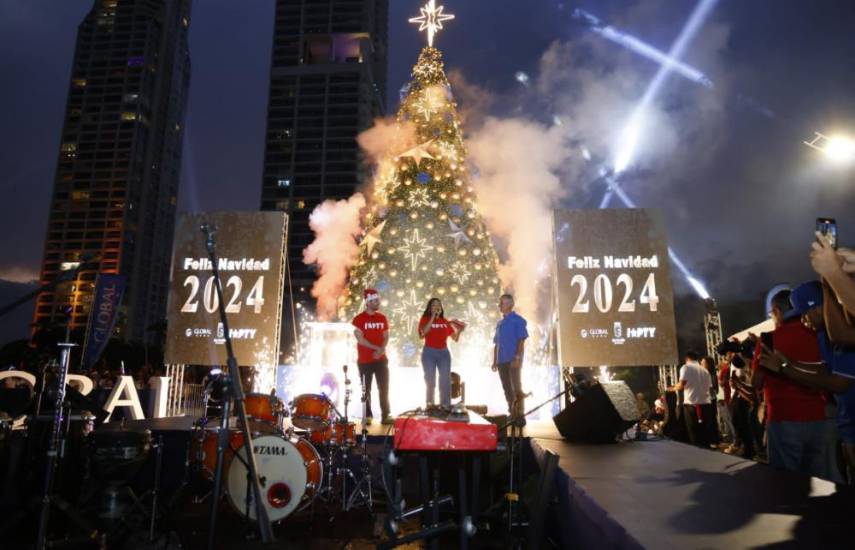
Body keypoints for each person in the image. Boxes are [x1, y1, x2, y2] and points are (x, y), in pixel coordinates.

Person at [760, 281, 854, 484]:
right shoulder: (823, 335)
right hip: (841, 422)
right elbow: (825, 370)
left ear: (820, 308)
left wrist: (786, 369)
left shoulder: (845, 335)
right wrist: (790, 364)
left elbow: (838, 383)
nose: (802, 320)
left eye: (804, 313)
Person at [352, 288, 393, 425]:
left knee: (384, 388)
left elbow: (386, 336)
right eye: (375, 301)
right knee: (366, 389)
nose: (378, 303)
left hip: (381, 360)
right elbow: (360, 340)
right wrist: (378, 348)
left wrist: (382, 349)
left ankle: (386, 415)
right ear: (368, 302)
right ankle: (367, 415)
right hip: (365, 361)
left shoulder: (382, 318)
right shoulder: (358, 319)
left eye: (378, 300)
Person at [418, 297, 465, 409]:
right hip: (429, 352)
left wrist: (459, 331)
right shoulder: (424, 319)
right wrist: (433, 317)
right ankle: (430, 405)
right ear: (430, 307)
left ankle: (445, 405)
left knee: (445, 379)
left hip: (444, 353)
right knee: (430, 379)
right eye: (434, 305)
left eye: (439, 305)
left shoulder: (444, 321)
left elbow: (455, 338)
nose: (437, 306)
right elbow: (422, 334)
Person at [492, 294, 529, 424]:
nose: (499, 306)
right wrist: (494, 360)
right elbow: (497, 343)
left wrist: (517, 357)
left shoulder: (518, 320)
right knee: (507, 387)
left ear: (509, 305)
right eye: (500, 303)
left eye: (501, 303)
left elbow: (521, 339)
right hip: (502, 360)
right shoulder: (500, 323)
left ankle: (520, 416)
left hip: (513, 359)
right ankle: (512, 413)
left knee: (516, 387)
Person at [670, 351, 712, 448]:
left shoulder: (686, 367)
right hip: (706, 404)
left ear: (687, 359)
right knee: (704, 432)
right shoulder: (705, 370)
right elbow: (709, 387)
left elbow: (681, 385)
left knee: (693, 432)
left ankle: (697, 455)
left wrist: (672, 388)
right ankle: (708, 455)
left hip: (692, 405)